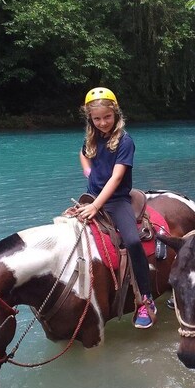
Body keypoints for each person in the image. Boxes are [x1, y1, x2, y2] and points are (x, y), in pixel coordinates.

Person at [75, 87, 157, 329]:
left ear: (116, 114)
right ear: (90, 118)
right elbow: (82, 154)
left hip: (116, 200)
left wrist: (97, 205)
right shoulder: (91, 136)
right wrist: (88, 172)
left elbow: (116, 178)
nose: (102, 123)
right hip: (92, 196)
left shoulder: (125, 141)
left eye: (107, 117)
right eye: (97, 118)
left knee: (132, 241)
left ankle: (146, 298)